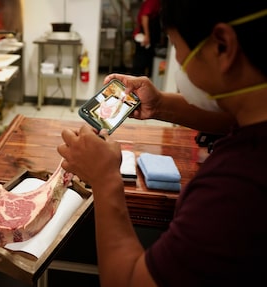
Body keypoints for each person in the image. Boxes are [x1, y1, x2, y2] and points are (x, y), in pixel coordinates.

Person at [58, 0, 267, 286]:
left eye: (176, 45)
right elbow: (234, 117)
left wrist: (105, 179)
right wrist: (160, 105)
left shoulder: (236, 188)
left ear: (222, 45)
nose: (178, 61)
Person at [131, 0, 162, 77]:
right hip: (143, 38)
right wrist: (147, 36)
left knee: (146, 62)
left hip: (149, 37)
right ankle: (135, 84)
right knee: (140, 63)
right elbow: (144, 17)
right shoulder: (152, 1)